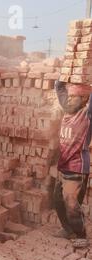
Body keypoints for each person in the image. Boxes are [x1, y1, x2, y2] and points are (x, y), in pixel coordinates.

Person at [53, 80, 91, 248]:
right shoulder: (67, 109)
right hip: (63, 166)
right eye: (69, 96)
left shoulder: (86, 114)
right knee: (57, 200)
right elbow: (59, 87)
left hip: (76, 167)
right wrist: (68, 73)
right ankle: (67, 229)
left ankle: (81, 235)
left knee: (71, 205)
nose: (69, 99)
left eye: (74, 97)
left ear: (84, 100)